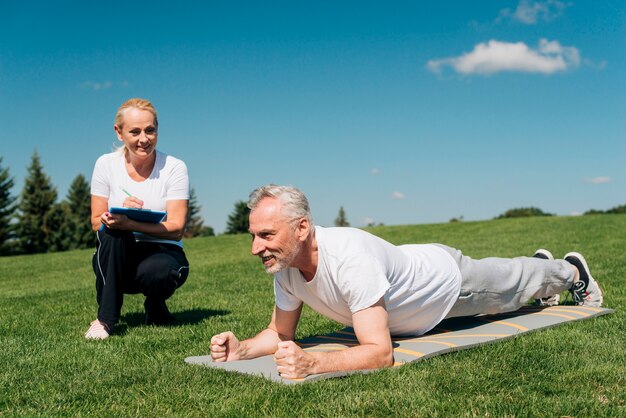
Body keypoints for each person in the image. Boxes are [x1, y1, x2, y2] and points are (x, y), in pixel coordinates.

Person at [210, 184, 603, 379]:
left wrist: (314, 362)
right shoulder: (287, 267)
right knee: (518, 280)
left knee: (513, 287)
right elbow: (280, 333)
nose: (255, 248)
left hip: (447, 285)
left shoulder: (347, 257)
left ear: (301, 228)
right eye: (253, 236)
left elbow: (380, 354)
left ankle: (569, 272)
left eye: (266, 235)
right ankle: (540, 269)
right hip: (411, 268)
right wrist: (241, 350)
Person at [85, 98, 190, 340]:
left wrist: (132, 223)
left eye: (150, 130)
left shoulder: (174, 167)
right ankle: (105, 319)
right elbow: (94, 221)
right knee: (110, 231)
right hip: (120, 253)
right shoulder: (105, 164)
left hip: (163, 250)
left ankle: (155, 305)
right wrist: (119, 213)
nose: (144, 139)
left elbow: (176, 229)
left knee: (159, 271)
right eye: (135, 131)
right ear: (119, 132)